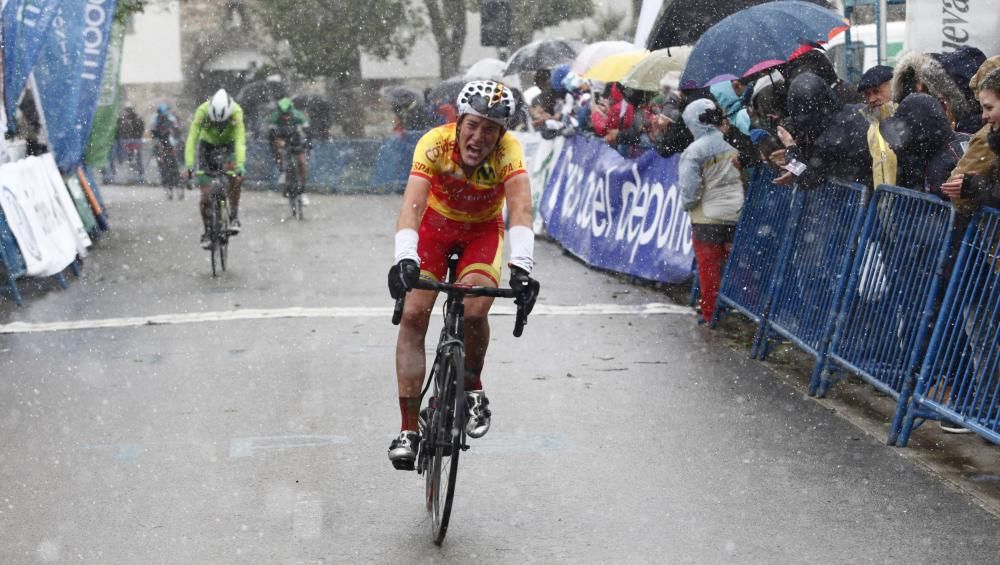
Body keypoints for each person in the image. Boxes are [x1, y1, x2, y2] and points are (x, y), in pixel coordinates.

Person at [386, 80, 540, 469]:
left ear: (501, 133)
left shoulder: (509, 152)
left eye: (490, 129)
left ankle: (472, 386)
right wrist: (405, 258)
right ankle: (408, 428)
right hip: (435, 230)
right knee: (414, 314)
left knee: (475, 311)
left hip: (482, 233)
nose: (479, 136)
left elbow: (520, 209)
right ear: (458, 121)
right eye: (473, 125)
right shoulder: (434, 143)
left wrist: (522, 267)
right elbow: (413, 204)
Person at [678, 98, 743, 325]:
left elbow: (690, 189)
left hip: (706, 217)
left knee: (709, 269)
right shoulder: (734, 142)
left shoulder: (694, 151)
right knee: (736, 265)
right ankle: (742, 308)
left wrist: (688, 205)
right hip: (736, 213)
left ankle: (711, 313)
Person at [184, 89, 247, 249]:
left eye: (222, 123)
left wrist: (240, 165)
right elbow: (192, 139)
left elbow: (240, 141)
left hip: (229, 145)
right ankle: (207, 233)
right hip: (207, 147)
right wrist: (189, 165)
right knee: (205, 197)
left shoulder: (236, 112)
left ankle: (233, 216)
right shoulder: (202, 111)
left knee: (236, 176)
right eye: (214, 122)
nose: (218, 125)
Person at [856, 65, 898, 187]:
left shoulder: (905, 119)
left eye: (876, 91)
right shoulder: (872, 128)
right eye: (867, 94)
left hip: (905, 202)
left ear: (893, 86)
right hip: (887, 202)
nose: (872, 99)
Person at [266, 97, 309, 196]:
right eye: (283, 115)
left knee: (302, 163)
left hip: (297, 138)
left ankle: (303, 188)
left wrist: (305, 146)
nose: (286, 118)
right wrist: (276, 149)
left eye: (288, 114)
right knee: (279, 148)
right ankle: (283, 171)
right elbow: (271, 136)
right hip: (282, 137)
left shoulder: (299, 116)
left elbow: (307, 134)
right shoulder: (274, 117)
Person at [149, 103, 182, 191]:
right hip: (167, 142)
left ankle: (167, 178)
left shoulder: (156, 118)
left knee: (163, 161)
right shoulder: (170, 117)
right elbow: (176, 130)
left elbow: (153, 133)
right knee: (171, 160)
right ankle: (174, 177)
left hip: (164, 141)